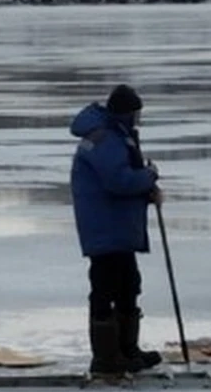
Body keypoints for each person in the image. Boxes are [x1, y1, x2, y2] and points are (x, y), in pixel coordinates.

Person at [70, 85, 163, 377]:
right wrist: (148, 176)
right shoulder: (104, 139)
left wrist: (145, 187)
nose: (138, 119)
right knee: (106, 287)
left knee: (128, 285)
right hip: (105, 228)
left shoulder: (114, 135)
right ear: (125, 112)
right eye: (136, 113)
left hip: (116, 227)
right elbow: (118, 181)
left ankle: (127, 352)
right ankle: (107, 358)